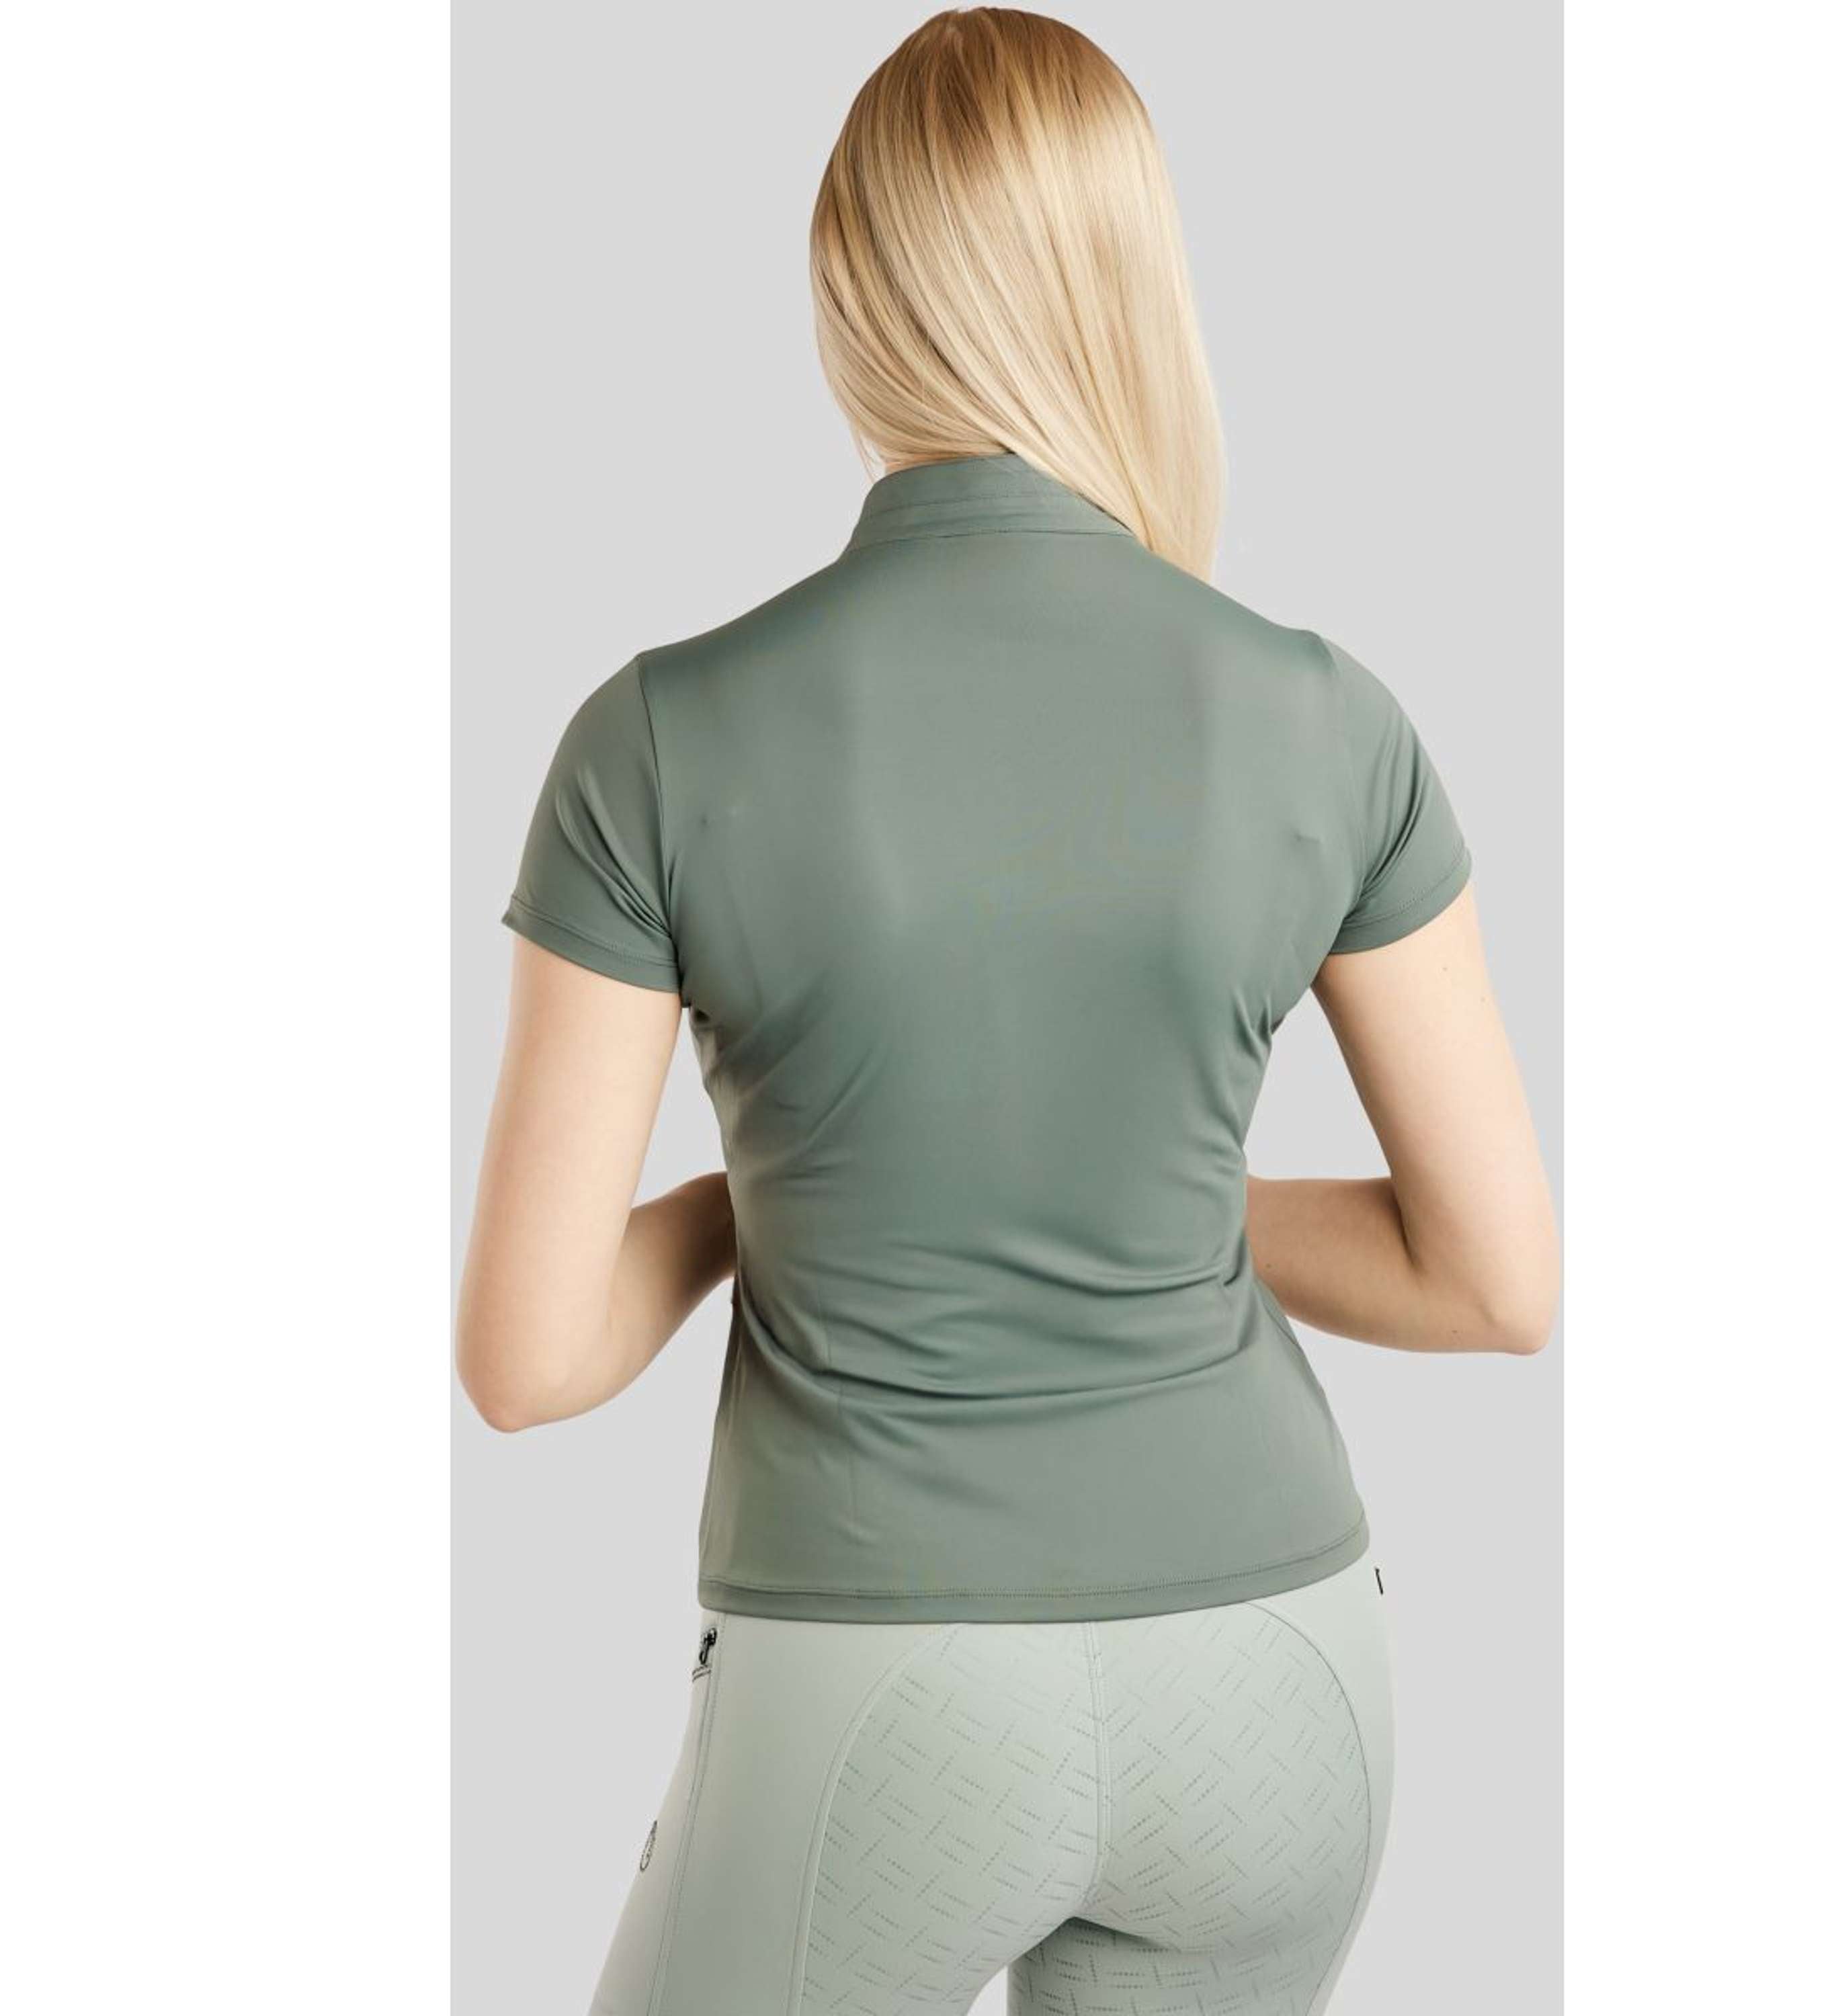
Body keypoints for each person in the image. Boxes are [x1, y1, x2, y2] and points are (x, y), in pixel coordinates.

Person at [456, 9, 1558, 2011]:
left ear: (852, 304)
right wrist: (1138, 1205)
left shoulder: (660, 738)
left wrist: (746, 1207)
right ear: (1135, 286)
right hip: (1282, 1680)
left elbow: (529, 1360)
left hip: (879, 1693)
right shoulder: (1330, 717)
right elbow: (1496, 1283)